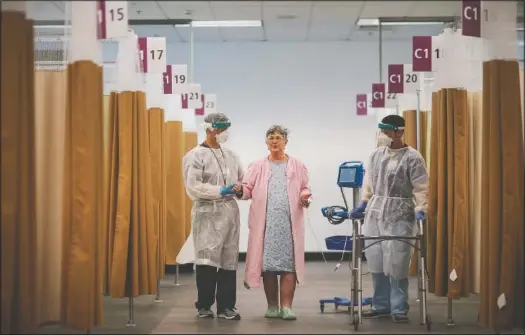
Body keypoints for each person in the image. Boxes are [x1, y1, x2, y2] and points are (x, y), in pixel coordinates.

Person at [349, 115, 428, 323]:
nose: (382, 135)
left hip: (400, 213)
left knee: (397, 260)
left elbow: (421, 187)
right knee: (376, 258)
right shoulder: (375, 155)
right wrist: (364, 203)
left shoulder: (413, 157)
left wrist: (422, 209)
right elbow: (369, 182)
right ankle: (381, 304)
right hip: (376, 212)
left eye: (386, 131)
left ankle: (398, 308)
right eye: (381, 130)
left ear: (399, 131)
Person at [237, 125, 312, 321]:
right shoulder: (257, 165)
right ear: (266, 142)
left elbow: (305, 187)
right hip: (266, 224)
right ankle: (272, 306)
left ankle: (286, 307)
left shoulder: (297, 165)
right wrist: (239, 191)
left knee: (289, 265)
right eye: (271, 137)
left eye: (279, 137)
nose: (275, 141)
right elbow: (247, 189)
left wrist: (305, 196)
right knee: (268, 266)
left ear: (285, 142)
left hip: (288, 224)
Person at [182, 112, 244, 320]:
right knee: (207, 259)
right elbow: (193, 186)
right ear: (209, 129)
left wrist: (239, 189)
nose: (223, 132)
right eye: (220, 128)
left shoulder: (231, 156)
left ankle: (226, 306)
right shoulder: (196, 155)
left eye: (226, 128)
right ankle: (204, 305)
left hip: (230, 212)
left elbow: (243, 180)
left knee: (229, 259)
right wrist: (220, 191)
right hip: (207, 212)